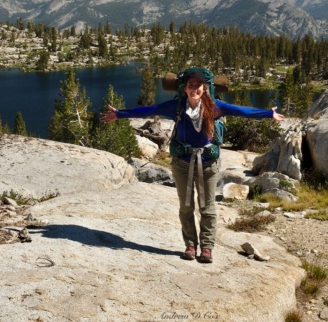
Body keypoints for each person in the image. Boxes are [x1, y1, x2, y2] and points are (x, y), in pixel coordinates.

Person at [101, 68, 284, 263]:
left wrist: (267, 114)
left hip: (208, 164)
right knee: (186, 206)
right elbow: (149, 109)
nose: (194, 88)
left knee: (207, 207)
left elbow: (241, 111)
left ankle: (206, 248)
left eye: (198, 85)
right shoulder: (176, 106)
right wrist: (119, 115)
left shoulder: (214, 107)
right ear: (185, 88)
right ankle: (190, 245)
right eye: (191, 85)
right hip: (182, 164)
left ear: (204, 88)